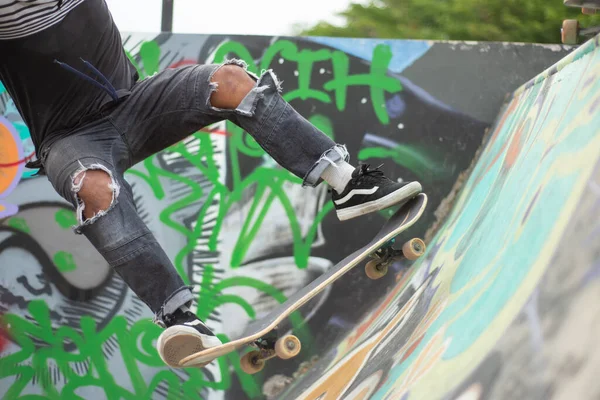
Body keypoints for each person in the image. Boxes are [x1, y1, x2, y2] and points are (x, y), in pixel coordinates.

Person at [0, 0, 422, 368]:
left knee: (232, 82)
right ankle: (177, 316)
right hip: (70, 139)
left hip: (136, 104)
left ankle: (348, 184)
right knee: (94, 187)